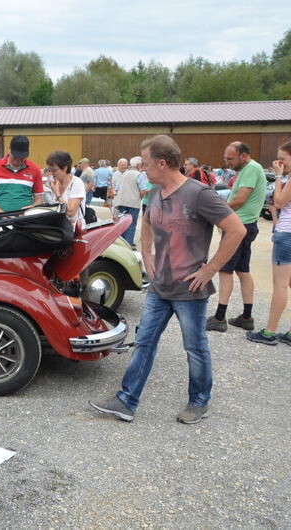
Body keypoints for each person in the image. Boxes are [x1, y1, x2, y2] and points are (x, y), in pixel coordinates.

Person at [89, 135, 245, 424]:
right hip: (160, 286)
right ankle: (126, 401)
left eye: (146, 164)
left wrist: (210, 270)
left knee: (195, 347)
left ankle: (199, 402)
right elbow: (147, 221)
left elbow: (236, 230)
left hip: (190, 288)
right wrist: (145, 253)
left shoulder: (199, 194)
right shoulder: (156, 191)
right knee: (145, 342)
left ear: (163, 163)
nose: (143, 169)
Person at [206, 141, 267, 333]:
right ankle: (246, 317)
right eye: (225, 158)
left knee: (225, 271)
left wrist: (217, 213)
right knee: (243, 271)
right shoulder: (250, 169)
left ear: (243, 155)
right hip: (247, 225)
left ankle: (219, 318)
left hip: (238, 226)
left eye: (230, 158)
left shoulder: (250, 169)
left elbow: (240, 200)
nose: (227, 162)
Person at [247, 142, 291, 345]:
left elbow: (279, 202)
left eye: (283, 158)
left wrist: (280, 175)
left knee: (280, 285)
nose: (279, 163)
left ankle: (269, 331)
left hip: (286, 235)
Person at [0, 135, 43, 213]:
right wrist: (2, 215)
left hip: (24, 221)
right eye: (15, 156)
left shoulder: (35, 169)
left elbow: (39, 200)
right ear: (9, 149)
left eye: (22, 157)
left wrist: (31, 208)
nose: (18, 160)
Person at [113, 156, 149, 247]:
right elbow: (144, 190)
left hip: (121, 202)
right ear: (138, 165)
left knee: (122, 223)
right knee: (131, 224)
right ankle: (128, 246)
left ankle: (121, 244)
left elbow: (116, 189)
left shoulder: (124, 173)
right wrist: (140, 197)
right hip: (133, 203)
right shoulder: (138, 174)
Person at [46, 150, 86, 228]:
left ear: (65, 168)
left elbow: (71, 212)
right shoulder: (52, 184)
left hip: (74, 229)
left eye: (54, 170)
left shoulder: (76, 183)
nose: (52, 174)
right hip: (57, 227)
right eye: (49, 170)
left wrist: (58, 195)